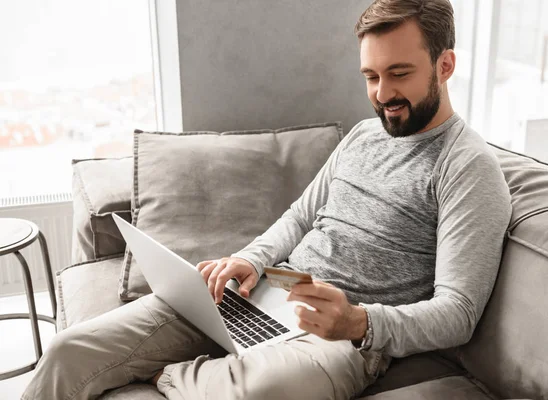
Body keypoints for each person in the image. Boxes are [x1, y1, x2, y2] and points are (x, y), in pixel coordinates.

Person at [22, 0, 511, 399]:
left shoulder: (468, 168)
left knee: (269, 389)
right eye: (370, 76)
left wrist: (358, 320)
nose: (382, 94)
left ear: (445, 65)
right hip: (264, 295)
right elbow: (300, 216)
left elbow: (458, 313)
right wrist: (250, 260)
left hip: (340, 337)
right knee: (70, 350)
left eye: (399, 73)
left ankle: (167, 378)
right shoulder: (363, 136)